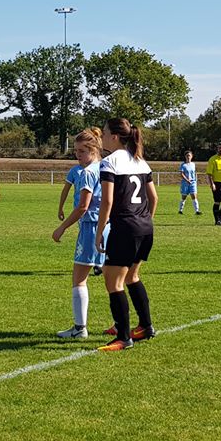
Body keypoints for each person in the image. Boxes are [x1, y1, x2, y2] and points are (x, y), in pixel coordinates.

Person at [95, 118, 158, 352]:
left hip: (125, 228)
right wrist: (145, 220)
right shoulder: (140, 161)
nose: (101, 137)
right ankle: (145, 326)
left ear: (114, 136)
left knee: (114, 281)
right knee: (132, 277)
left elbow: (108, 201)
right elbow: (154, 198)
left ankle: (123, 336)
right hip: (145, 227)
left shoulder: (109, 162)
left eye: (104, 132)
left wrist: (100, 231)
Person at [52, 128, 109, 338]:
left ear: (93, 150)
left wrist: (62, 227)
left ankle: (79, 328)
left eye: (81, 151)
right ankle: (120, 323)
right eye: (76, 151)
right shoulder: (105, 167)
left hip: (91, 227)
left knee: (78, 279)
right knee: (113, 279)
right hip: (108, 226)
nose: (77, 155)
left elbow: (83, 206)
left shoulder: (87, 172)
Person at [178, 150, 202, 215]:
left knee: (194, 196)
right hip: (185, 183)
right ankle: (180, 210)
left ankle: (197, 211)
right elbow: (181, 174)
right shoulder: (183, 165)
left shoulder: (193, 164)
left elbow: (193, 173)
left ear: (192, 156)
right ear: (185, 156)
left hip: (193, 182)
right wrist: (187, 180)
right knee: (184, 197)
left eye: (189, 155)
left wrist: (195, 179)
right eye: (187, 155)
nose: (188, 157)